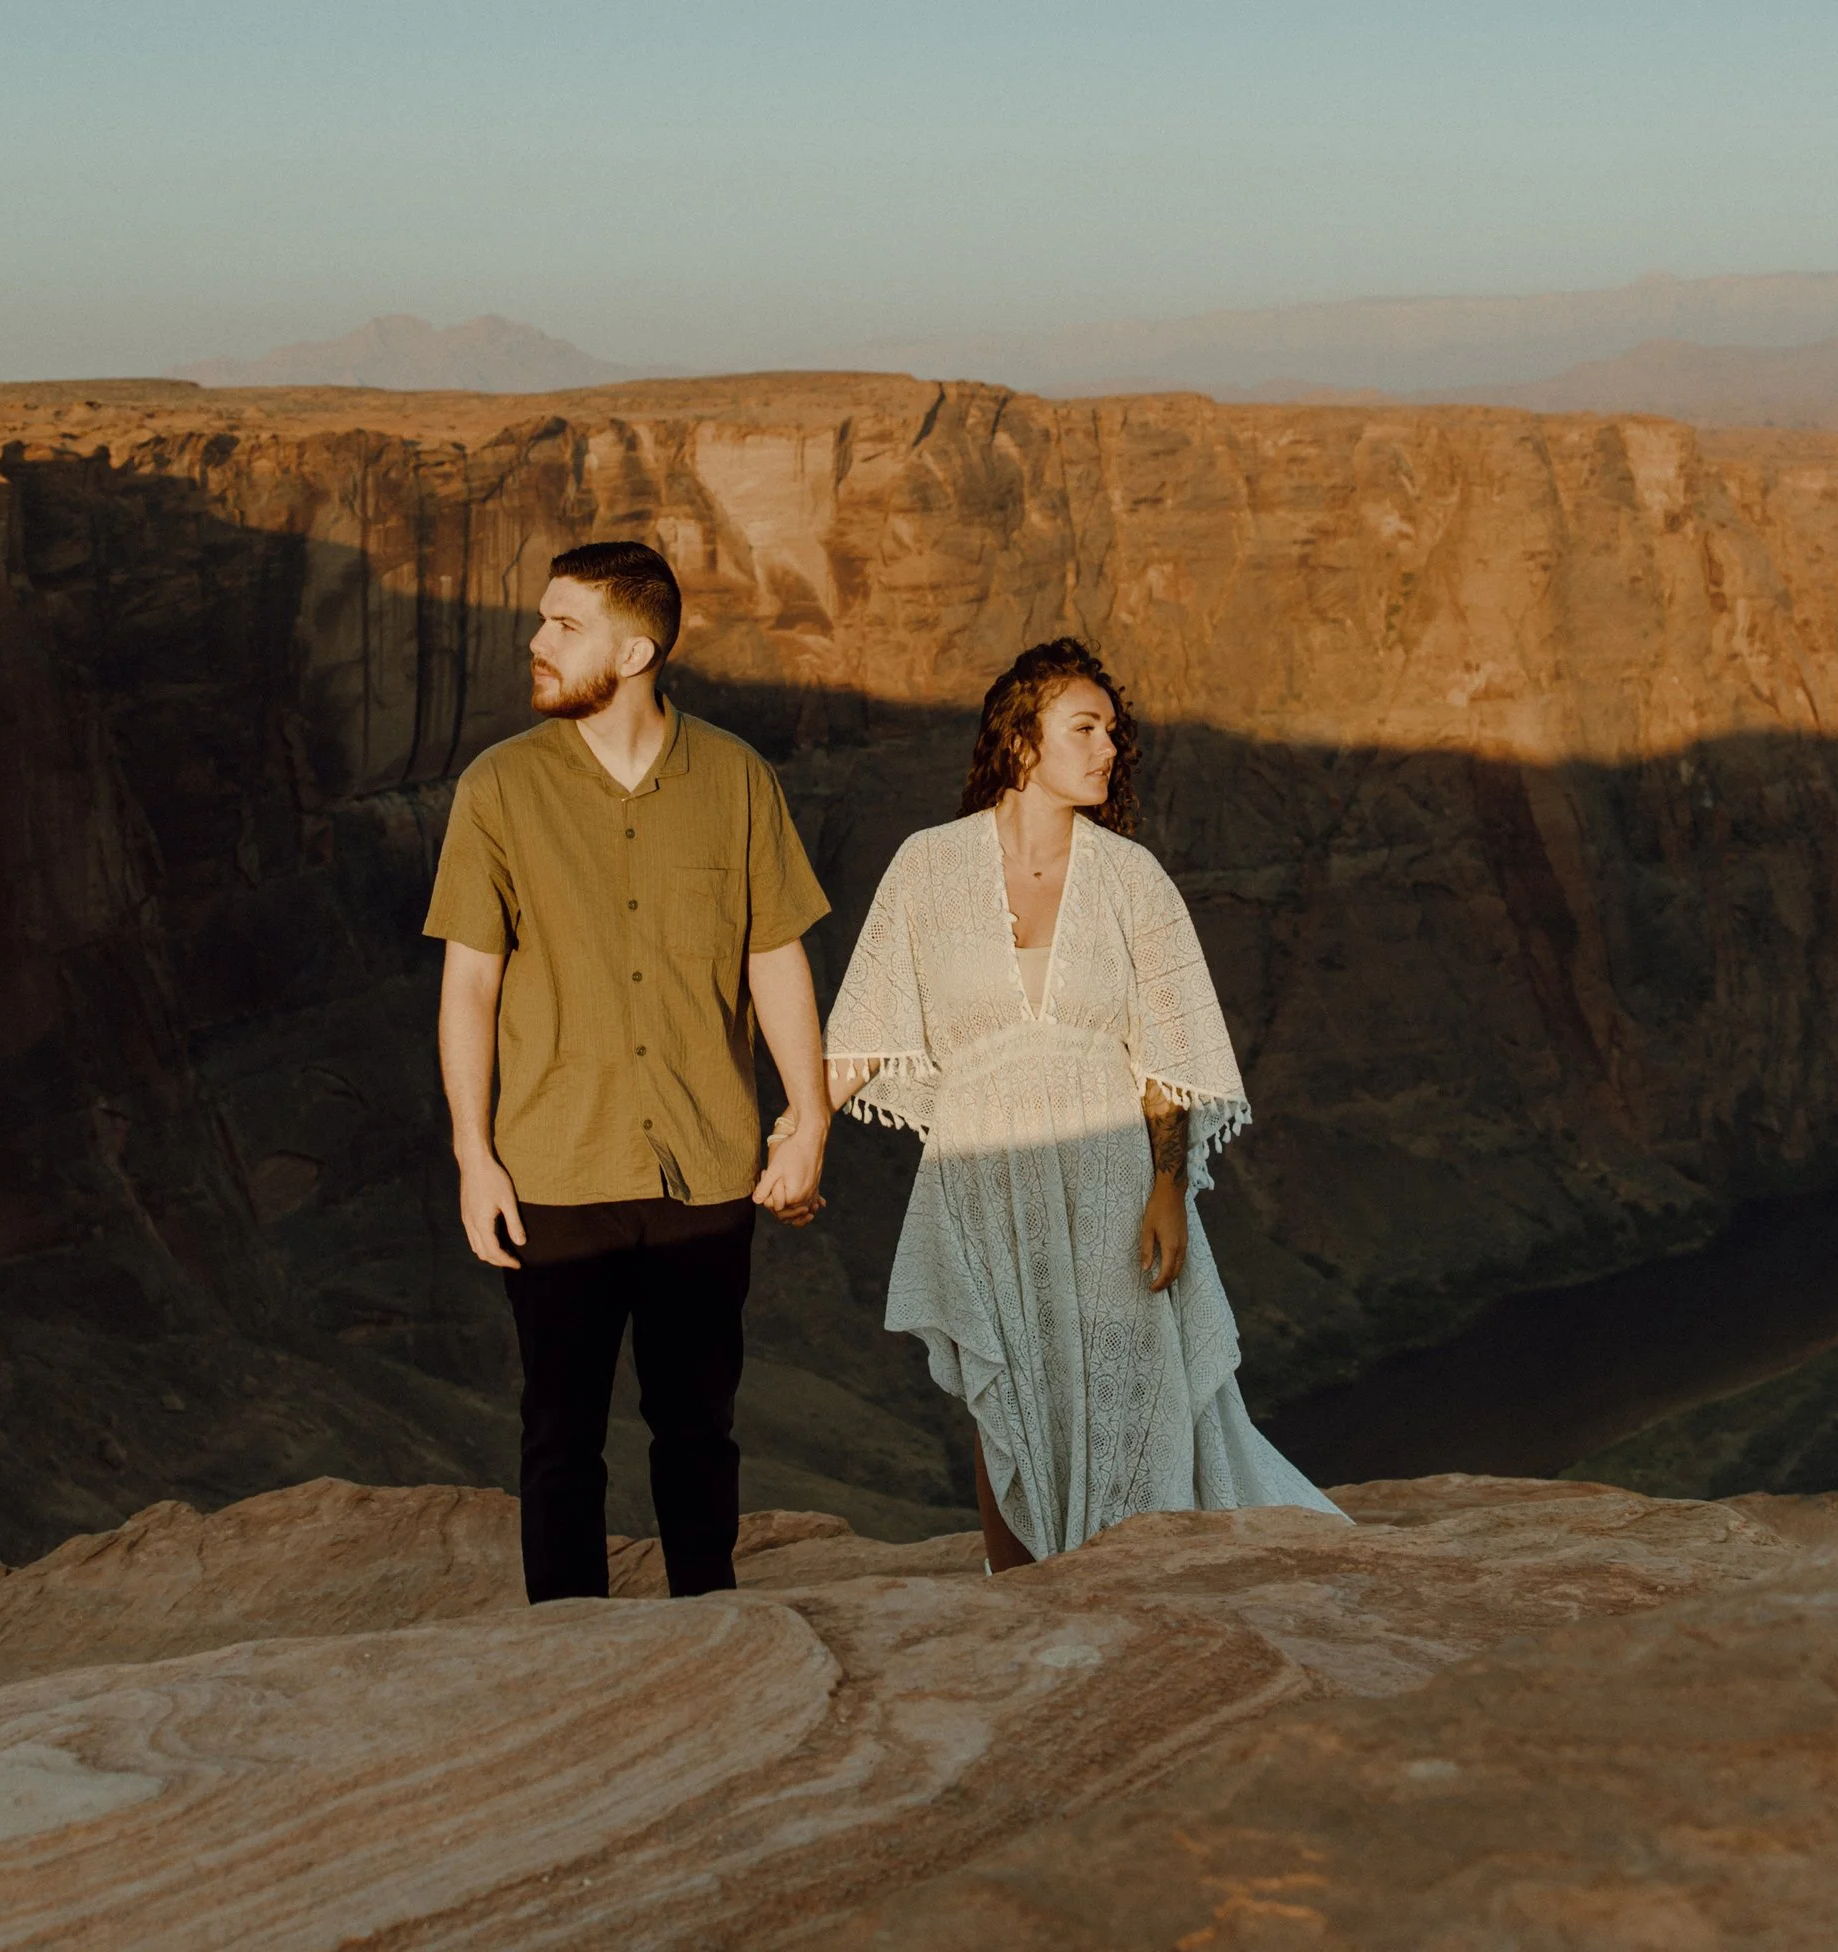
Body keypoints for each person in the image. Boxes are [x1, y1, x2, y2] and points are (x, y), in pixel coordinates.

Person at [822, 638, 1343, 1571]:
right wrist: (797, 1130)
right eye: (1087, 728)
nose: (1111, 749)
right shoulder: (926, 868)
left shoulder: (1130, 878)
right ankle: (1017, 1592)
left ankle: (1142, 1583)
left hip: (1109, 1175)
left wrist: (1167, 1191)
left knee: (1129, 1380)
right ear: (1021, 743)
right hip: (980, 1173)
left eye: (1113, 731)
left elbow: (1167, 1057)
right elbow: (861, 1034)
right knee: (1008, 1386)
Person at [424, 540, 832, 1603]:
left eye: (564, 624)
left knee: (699, 1427)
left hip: (704, 1164)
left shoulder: (737, 778)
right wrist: (475, 1156)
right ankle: (570, 1652)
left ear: (636, 647)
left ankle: (710, 1631)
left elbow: (773, 952)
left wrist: (810, 1116)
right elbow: (469, 984)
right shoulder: (500, 788)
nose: (535, 641)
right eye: (543, 620)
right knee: (559, 1434)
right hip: (556, 1165)